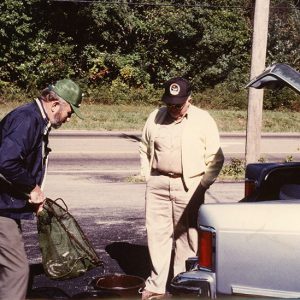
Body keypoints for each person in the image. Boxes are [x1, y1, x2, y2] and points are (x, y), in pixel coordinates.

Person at [139, 77, 224, 299]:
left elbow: (216, 158)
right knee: (157, 235)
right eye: (170, 104)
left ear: (189, 99)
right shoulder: (156, 116)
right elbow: (143, 147)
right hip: (158, 184)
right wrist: (148, 176)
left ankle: (182, 286)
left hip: (189, 186)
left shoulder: (203, 119)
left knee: (187, 238)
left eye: (178, 104)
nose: (173, 108)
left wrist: (202, 185)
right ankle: (156, 285)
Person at [0, 79, 83, 300]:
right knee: (16, 271)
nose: (69, 118)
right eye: (69, 112)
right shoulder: (28, 119)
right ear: (55, 104)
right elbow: (5, 161)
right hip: (0, 209)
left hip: (5, 204)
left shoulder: (35, 118)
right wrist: (32, 187)